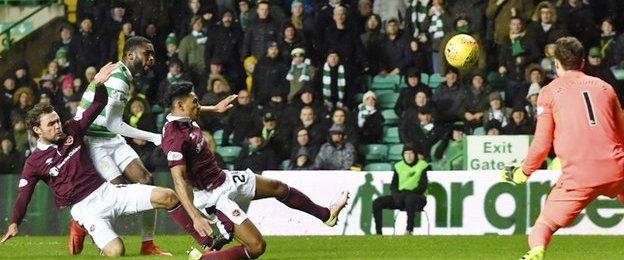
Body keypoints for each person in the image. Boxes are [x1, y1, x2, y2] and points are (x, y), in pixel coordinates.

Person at [0, 64, 214, 256]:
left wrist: (97, 84)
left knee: (168, 196)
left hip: (107, 192)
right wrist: (15, 223)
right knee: (116, 250)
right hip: (84, 209)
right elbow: (23, 196)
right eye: (51, 125)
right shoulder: (33, 162)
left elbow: (99, 103)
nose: (58, 126)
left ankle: (207, 243)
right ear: (37, 130)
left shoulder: (72, 129)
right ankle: (85, 229)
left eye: (57, 120)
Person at [160, 82, 349, 259]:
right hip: (213, 196)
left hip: (223, 177)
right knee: (257, 246)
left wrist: (215, 109)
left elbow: (197, 110)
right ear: (180, 105)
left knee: (278, 187)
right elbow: (178, 180)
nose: (198, 105)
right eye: (195, 102)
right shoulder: (174, 138)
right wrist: (195, 217)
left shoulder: (185, 116)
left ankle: (326, 215)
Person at [501, 37, 624, 260]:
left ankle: (537, 251)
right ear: (583, 62)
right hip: (617, 167)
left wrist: (524, 172)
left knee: (544, 225)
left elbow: (541, 145)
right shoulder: (606, 88)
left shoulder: (548, 93)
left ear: (556, 63)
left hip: (580, 176)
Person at [72, 36, 167, 255]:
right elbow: (114, 123)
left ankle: (147, 244)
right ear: (130, 54)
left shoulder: (124, 74)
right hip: (94, 140)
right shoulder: (118, 78)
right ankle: (82, 222)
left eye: (153, 54)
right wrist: (154, 137)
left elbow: (112, 124)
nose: (151, 58)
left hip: (111, 138)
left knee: (146, 181)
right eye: (147, 54)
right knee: (115, 194)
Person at [373, 144, 428, 235]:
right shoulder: (399, 166)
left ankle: (409, 229)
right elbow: (393, 186)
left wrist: (406, 193)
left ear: (415, 154)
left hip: (418, 198)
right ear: (403, 155)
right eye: (406, 154)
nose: (409, 156)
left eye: (411, 153)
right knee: (377, 202)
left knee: (410, 199)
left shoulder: (422, 165)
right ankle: (378, 232)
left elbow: (422, 186)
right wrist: (397, 196)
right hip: (401, 197)